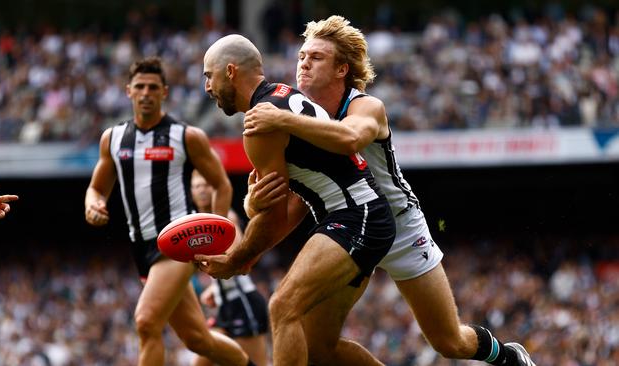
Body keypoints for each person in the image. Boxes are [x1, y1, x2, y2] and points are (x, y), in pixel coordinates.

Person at [242, 16, 536, 366]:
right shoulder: (296, 113)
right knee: (318, 347)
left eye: (316, 57)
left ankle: (506, 357)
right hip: (346, 229)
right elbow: (299, 200)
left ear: (342, 70)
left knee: (449, 341)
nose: (304, 62)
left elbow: (350, 139)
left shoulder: (365, 106)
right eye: (302, 56)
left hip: (400, 228)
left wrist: (284, 121)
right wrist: (252, 203)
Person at [197, 34, 396, 366]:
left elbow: (275, 216)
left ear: (230, 71)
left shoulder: (260, 123)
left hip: (354, 217)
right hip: (362, 215)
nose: (206, 87)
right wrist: (249, 247)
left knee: (281, 306)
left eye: (208, 75)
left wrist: (236, 259)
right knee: (320, 349)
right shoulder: (284, 94)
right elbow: (292, 206)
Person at [84, 56, 252, 366]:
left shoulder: (187, 136)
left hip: (178, 244)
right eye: (139, 87)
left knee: (146, 322)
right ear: (128, 92)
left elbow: (221, 185)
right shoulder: (113, 138)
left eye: (152, 87)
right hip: (141, 248)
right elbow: (97, 188)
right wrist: (92, 205)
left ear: (164, 92)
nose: (145, 92)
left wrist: (214, 239)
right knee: (198, 339)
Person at [189, 170, 269, 366]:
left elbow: (240, 260)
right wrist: (215, 289)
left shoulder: (226, 218)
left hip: (243, 303)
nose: (201, 190)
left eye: (206, 185)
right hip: (224, 307)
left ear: (215, 189)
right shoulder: (193, 221)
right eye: (196, 186)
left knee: (256, 363)